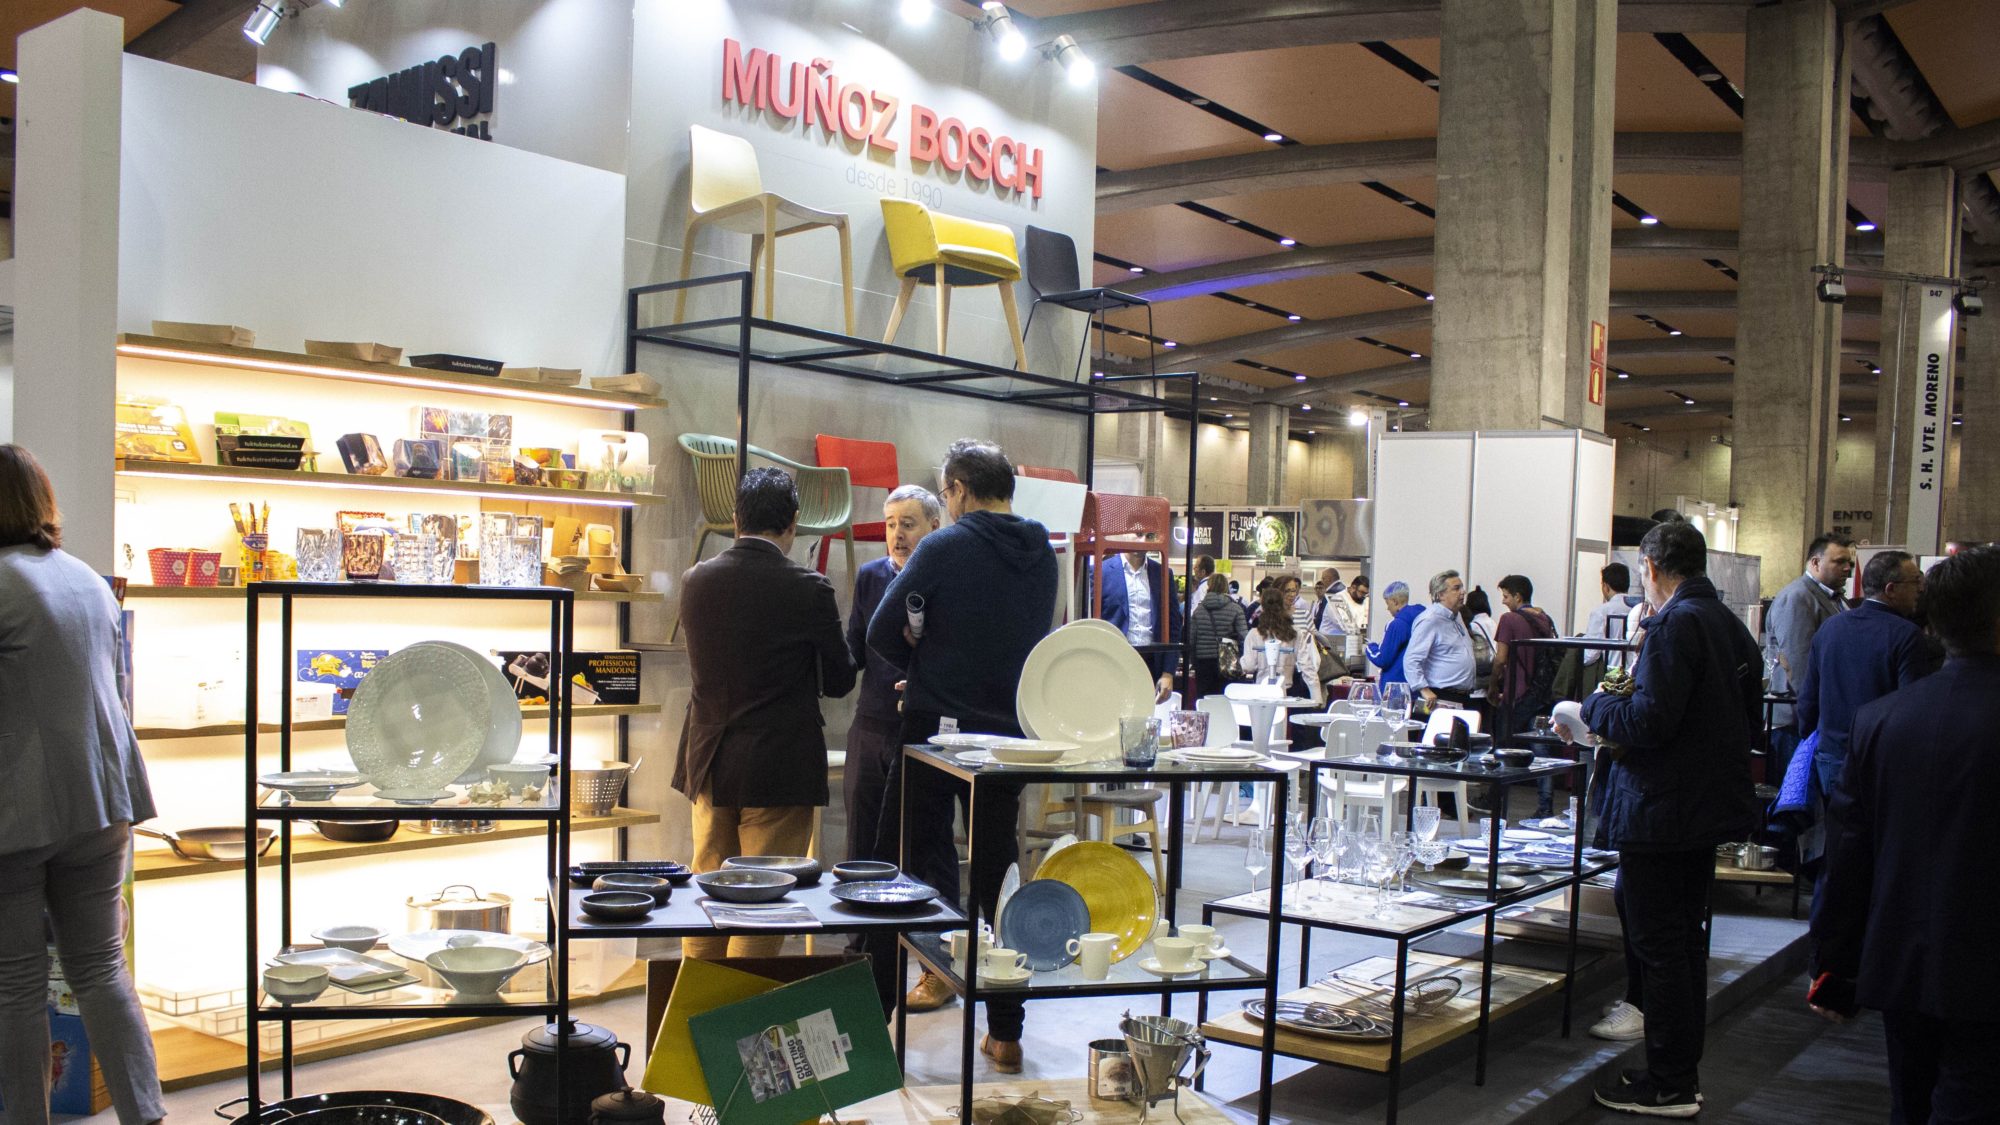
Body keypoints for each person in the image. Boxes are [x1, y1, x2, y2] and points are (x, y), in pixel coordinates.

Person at [866, 439, 1055, 1072]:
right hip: (1009, 736)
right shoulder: (1042, 552)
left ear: (958, 491)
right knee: (999, 879)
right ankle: (1005, 1033)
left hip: (934, 730)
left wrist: (920, 666)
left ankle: (873, 1025)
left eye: (946, 495)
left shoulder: (946, 545)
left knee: (894, 870)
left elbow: (881, 630)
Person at [0, 444, 166, 1125]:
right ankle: (145, 1113)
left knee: (15, 986)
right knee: (101, 971)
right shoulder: (87, 580)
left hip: (17, 812)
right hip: (102, 804)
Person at [1575, 518, 1761, 1116]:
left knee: (1662, 947)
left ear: (1650, 567)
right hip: (1699, 807)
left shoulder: (1677, 623)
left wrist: (1595, 706)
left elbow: (1649, 720)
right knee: (1682, 944)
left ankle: (1670, 1082)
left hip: (1663, 810)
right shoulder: (1726, 621)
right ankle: (1678, 1075)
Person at [1808, 546, 2000, 1125]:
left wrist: (1834, 965)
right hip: (1985, 966)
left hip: (1902, 956)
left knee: (1909, 1101)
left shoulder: (1881, 720)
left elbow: (1849, 854)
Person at [674, 467, 856, 959]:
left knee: (708, 894)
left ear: (736, 519)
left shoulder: (696, 580)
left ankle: (696, 1001)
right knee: (764, 902)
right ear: (793, 522)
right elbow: (840, 681)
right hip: (778, 765)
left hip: (708, 763)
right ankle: (741, 1005)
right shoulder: (809, 588)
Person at [841, 485, 941, 873]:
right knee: (860, 843)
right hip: (871, 723)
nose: (897, 535)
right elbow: (855, 647)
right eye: (890, 524)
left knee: (915, 847)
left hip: (922, 727)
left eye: (908, 525)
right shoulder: (870, 576)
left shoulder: (944, 580)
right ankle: (858, 915)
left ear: (934, 527)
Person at [1794, 551, 1936, 799]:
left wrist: (1814, 744)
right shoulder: (1906, 636)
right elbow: (1911, 709)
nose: (1920, 589)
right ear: (1891, 589)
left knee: (1835, 822)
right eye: (1915, 582)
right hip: (1881, 761)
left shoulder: (1831, 628)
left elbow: (1808, 700)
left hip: (1832, 757)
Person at [1766, 533, 1857, 781]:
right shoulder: (1798, 597)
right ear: (1815, 563)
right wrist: (1815, 718)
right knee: (1796, 795)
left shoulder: (1837, 599)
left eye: (1849, 562)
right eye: (1839, 562)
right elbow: (1798, 663)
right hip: (1797, 721)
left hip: (1819, 717)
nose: (1847, 568)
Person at [1491, 575, 1560, 817]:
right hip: (1541, 693)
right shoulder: (1543, 618)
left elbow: (1500, 659)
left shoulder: (1509, 619)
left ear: (1518, 596)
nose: (1503, 601)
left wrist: (1493, 685)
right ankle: (1546, 805)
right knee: (1541, 749)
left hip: (1516, 694)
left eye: (1505, 596)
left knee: (1503, 749)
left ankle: (1497, 803)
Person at [1089, 548, 1183, 702]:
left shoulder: (1163, 573)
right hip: (1113, 662)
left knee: (1149, 714)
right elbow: (1091, 623)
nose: (1142, 540)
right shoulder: (1100, 571)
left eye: (1148, 536)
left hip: (1152, 664)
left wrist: (1168, 672)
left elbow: (1174, 624)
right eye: (1138, 535)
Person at [1405, 569, 1477, 712]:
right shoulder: (1430, 619)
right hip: (1440, 695)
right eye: (1456, 588)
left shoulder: (1456, 615)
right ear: (1440, 595)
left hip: (1462, 696)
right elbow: (1412, 659)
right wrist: (1423, 689)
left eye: (1462, 587)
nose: (1463, 592)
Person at [1239, 584, 1323, 706]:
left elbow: (1249, 665)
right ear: (1282, 605)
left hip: (1261, 692)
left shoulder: (1253, 634)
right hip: (1287, 691)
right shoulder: (1295, 633)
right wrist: (1317, 698)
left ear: (1262, 606)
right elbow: (1307, 666)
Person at [1189, 572, 1248, 699]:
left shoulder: (1198, 611)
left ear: (1209, 586)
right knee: (1227, 698)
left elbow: (1192, 639)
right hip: (1228, 659)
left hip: (1204, 661)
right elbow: (1244, 637)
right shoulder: (1236, 609)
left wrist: (1193, 661)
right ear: (1226, 587)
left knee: (1205, 698)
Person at [1583, 562, 1640, 671]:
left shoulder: (1600, 612)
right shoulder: (1640, 609)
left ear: (1606, 586)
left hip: (1612, 673)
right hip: (1637, 673)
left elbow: (1589, 655)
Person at [1366, 580, 1420, 684]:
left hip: (1395, 683)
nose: (1387, 608)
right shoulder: (1422, 618)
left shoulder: (1396, 624)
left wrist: (1370, 647)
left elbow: (1383, 659)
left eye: (1388, 603)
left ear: (1395, 601)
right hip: (1415, 681)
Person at [1326, 573, 1370, 641]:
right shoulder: (1337, 598)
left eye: (1365, 593)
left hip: (1352, 639)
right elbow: (1344, 625)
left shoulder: (1363, 600)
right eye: (1361, 592)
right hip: (1332, 639)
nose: (1363, 596)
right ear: (1353, 588)